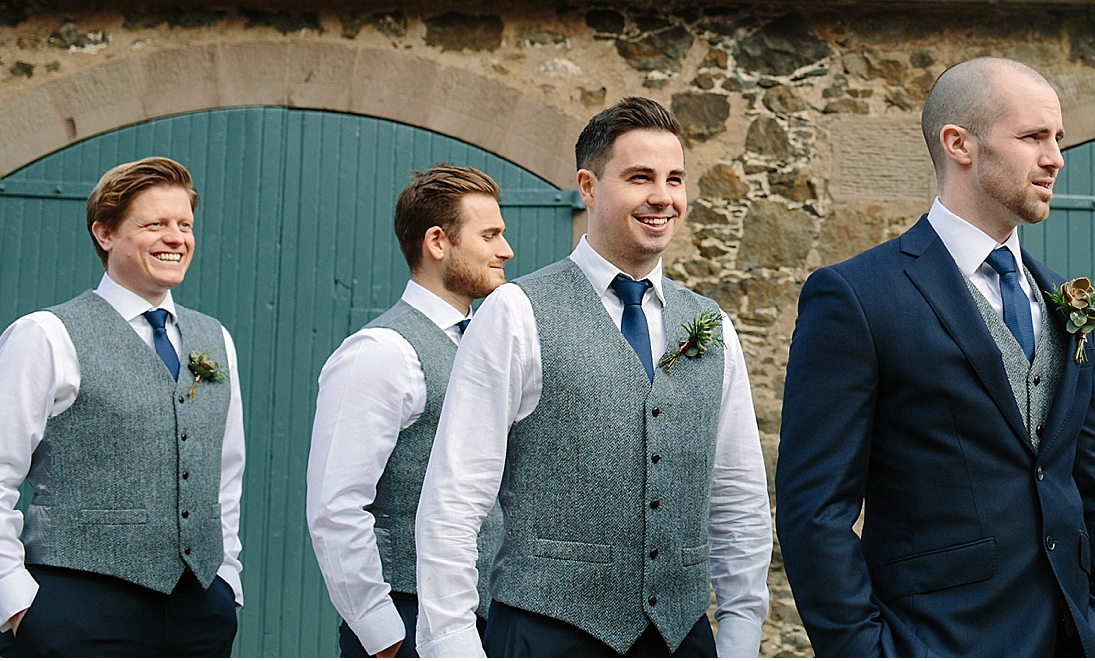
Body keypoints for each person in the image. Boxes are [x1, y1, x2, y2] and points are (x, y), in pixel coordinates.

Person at [776, 56, 1095, 657]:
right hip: (938, 641)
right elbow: (813, 509)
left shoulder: (1064, 300)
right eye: (1032, 137)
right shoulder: (858, 296)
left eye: (1058, 138)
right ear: (959, 144)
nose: (1055, 157)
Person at [414, 96, 770, 658]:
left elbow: (738, 500)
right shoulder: (516, 312)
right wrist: (452, 645)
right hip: (545, 633)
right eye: (640, 177)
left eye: (675, 179)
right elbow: (454, 500)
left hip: (683, 638)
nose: (663, 197)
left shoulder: (712, 325)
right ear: (588, 186)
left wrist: (742, 635)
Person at [0, 156, 245, 656]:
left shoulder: (214, 338)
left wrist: (227, 579)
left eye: (184, 225)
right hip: (73, 609)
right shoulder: (46, 335)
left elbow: (224, 473)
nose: (176, 238)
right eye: (155, 224)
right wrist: (17, 600)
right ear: (105, 234)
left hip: (198, 611)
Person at [307, 164, 515, 657]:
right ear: (438, 242)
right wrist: (383, 634)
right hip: (409, 622)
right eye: (490, 236)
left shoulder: (492, 344)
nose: (505, 251)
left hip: (491, 618)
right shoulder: (380, 352)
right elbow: (335, 508)